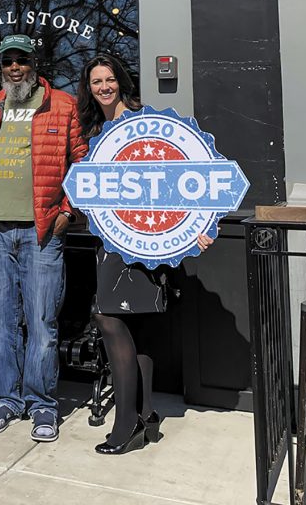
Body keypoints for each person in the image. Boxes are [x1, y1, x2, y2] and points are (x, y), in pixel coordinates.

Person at [77, 53, 214, 455]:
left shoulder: (144, 122)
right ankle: (147, 416)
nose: (103, 87)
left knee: (109, 315)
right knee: (132, 325)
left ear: (121, 81)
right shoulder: (95, 129)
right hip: (110, 236)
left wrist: (199, 226)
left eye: (109, 80)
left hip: (145, 236)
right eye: (96, 82)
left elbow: (180, 172)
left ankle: (126, 423)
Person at [0, 34, 86, 442]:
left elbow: (82, 163)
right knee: (0, 322)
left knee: (41, 322)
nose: (15, 67)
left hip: (42, 231)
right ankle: (6, 399)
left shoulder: (63, 104)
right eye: (8, 61)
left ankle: (42, 404)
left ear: (34, 64)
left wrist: (68, 212)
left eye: (22, 60)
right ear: (1, 66)